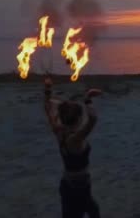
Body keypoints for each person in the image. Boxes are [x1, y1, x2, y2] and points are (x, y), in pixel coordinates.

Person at [44, 77, 102, 218]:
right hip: (78, 188)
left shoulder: (58, 130)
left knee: (88, 211)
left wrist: (48, 90)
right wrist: (88, 98)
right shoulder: (75, 139)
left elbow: (48, 106)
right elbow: (93, 119)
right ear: (77, 120)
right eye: (81, 117)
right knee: (93, 212)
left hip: (68, 186)